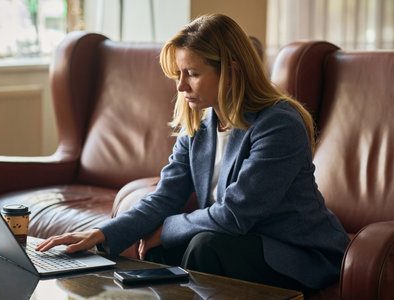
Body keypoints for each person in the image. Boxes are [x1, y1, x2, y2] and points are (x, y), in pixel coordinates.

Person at [36, 14, 350, 292]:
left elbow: (234, 215)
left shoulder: (279, 124)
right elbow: (166, 196)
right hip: (235, 241)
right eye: (179, 75)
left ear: (232, 71)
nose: (180, 87)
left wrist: (166, 230)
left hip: (296, 252)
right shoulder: (202, 121)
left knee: (204, 245)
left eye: (192, 74)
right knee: (156, 251)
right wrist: (102, 233)